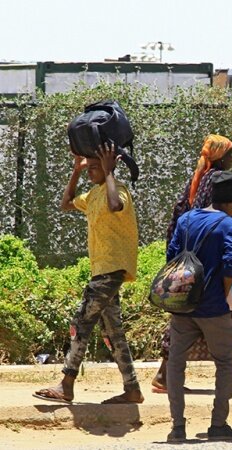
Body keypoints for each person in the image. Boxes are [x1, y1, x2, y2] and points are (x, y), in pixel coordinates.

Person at [33, 143, 143, 405]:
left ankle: (66, 384)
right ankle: (132, 389)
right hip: (101, 270)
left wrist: (108, 172)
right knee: (113, 331)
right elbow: (66, 203)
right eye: (90, 168)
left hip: (112, 269)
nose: (91, 172)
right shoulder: (92, 195)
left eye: (95, 168)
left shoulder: (118, 190)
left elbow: (115, 205)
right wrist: (76, 171)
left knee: (81, 322)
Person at [165, 171, 232, 442]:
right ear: (231, 202)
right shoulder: (229, 225)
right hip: (212, 308)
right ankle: (218, 425)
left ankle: (177, 428)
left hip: (183, 305)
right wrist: (221, 296)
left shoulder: (186, 219)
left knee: (176, 362)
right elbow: (229, 265)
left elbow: (171, 256)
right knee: (224, 362)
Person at [152, 134, 232, 392]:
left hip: (187, 255)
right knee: (202, 313)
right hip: (205, 256)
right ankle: (167, 376)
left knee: (186, 314)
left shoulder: (199, 177)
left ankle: (167, 375)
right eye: (230, 153)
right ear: (221, 156)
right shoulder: (215, 180)